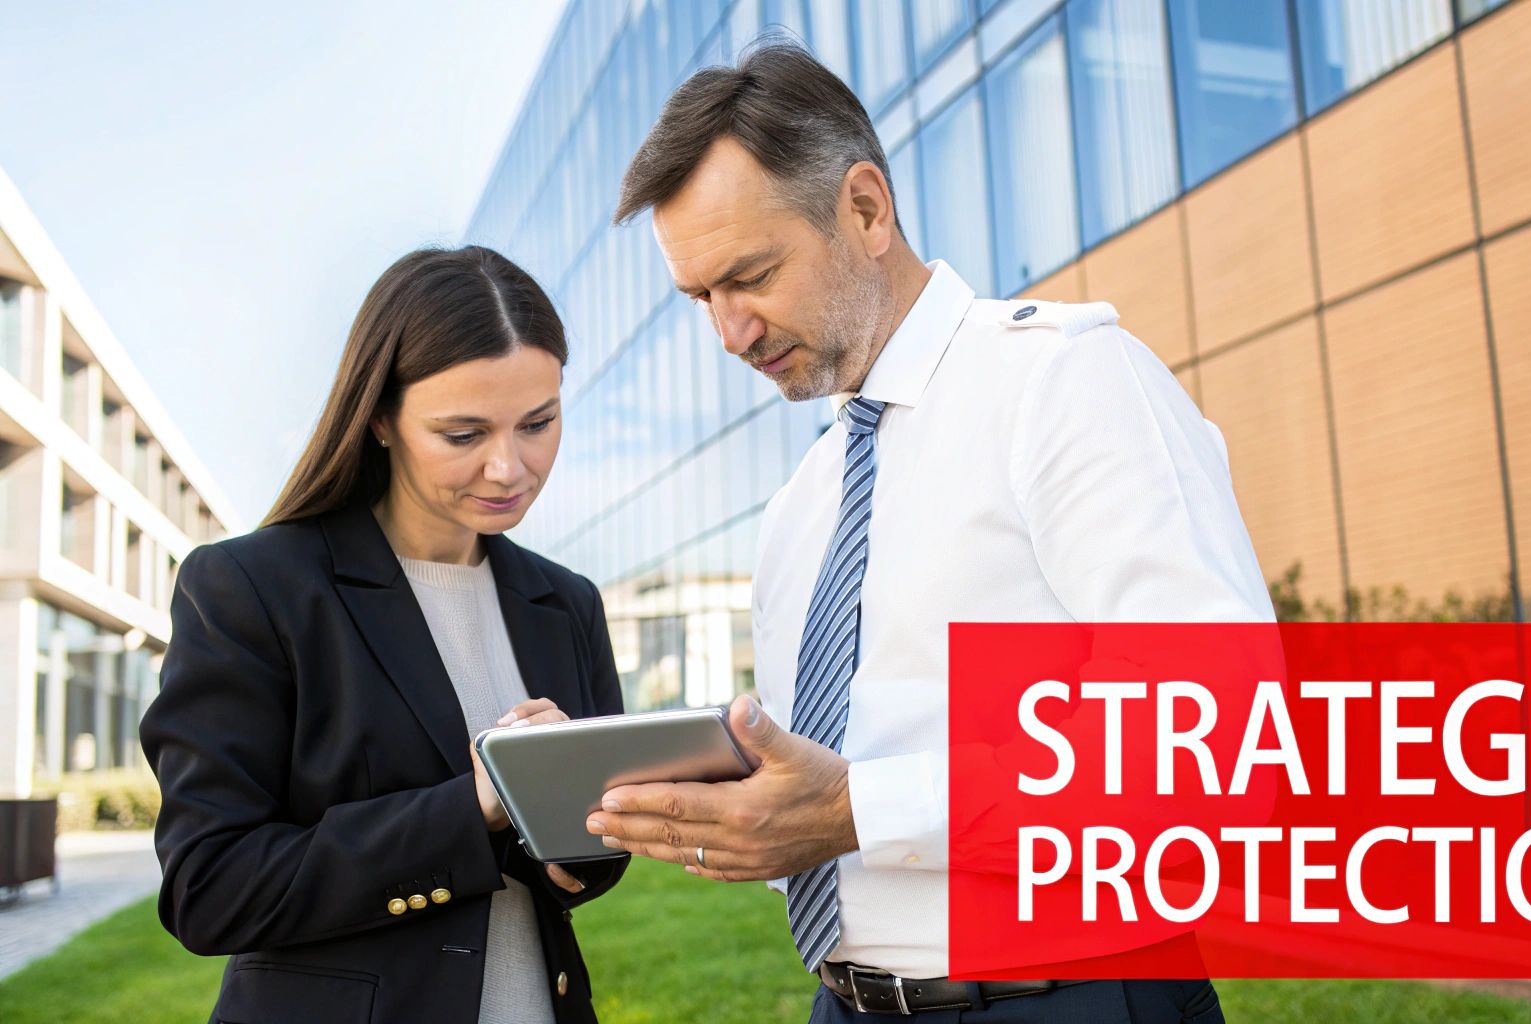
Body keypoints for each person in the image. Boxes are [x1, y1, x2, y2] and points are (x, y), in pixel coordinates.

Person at [586, 43, 1270, 1022]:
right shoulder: (800, 506)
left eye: (751, 275)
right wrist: (732, 815)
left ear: (864, 209)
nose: (728, 333)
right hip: (846, 1003)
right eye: (701, 297)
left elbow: (1213, 728)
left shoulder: (1059, 381)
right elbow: (823, 783)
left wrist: (854, 808)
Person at [141, 246, 627, 1024]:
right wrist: (474, 806)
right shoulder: (254, 589)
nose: (510, 467)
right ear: (378, 420)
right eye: (463, 434)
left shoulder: (565, 603)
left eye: (538, 422)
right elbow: (210, 887)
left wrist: (588, 830)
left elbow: (588, 863)